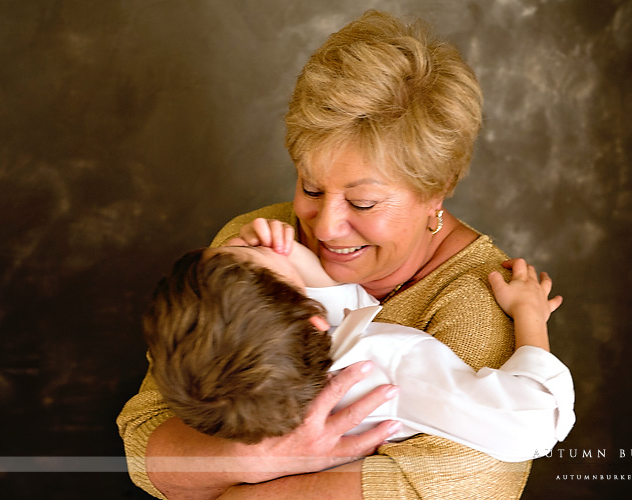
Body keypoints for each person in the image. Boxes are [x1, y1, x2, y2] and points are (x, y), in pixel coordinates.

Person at [118, 9, 559, 499]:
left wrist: (227, 478)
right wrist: (271, 456)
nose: (323, 227)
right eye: (310, 187)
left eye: (363, 202)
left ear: (437, 191)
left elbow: (466, 485)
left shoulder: (479, 300)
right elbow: (144, 445)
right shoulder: (256, 245)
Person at [143, 240, 573, 467]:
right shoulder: (389, 372)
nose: (254, 236)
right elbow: (530, 423)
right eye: (255, 250)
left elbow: (331, 316)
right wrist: (528, 314)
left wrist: (289, 258)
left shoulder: (267, 386)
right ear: (312, 320)